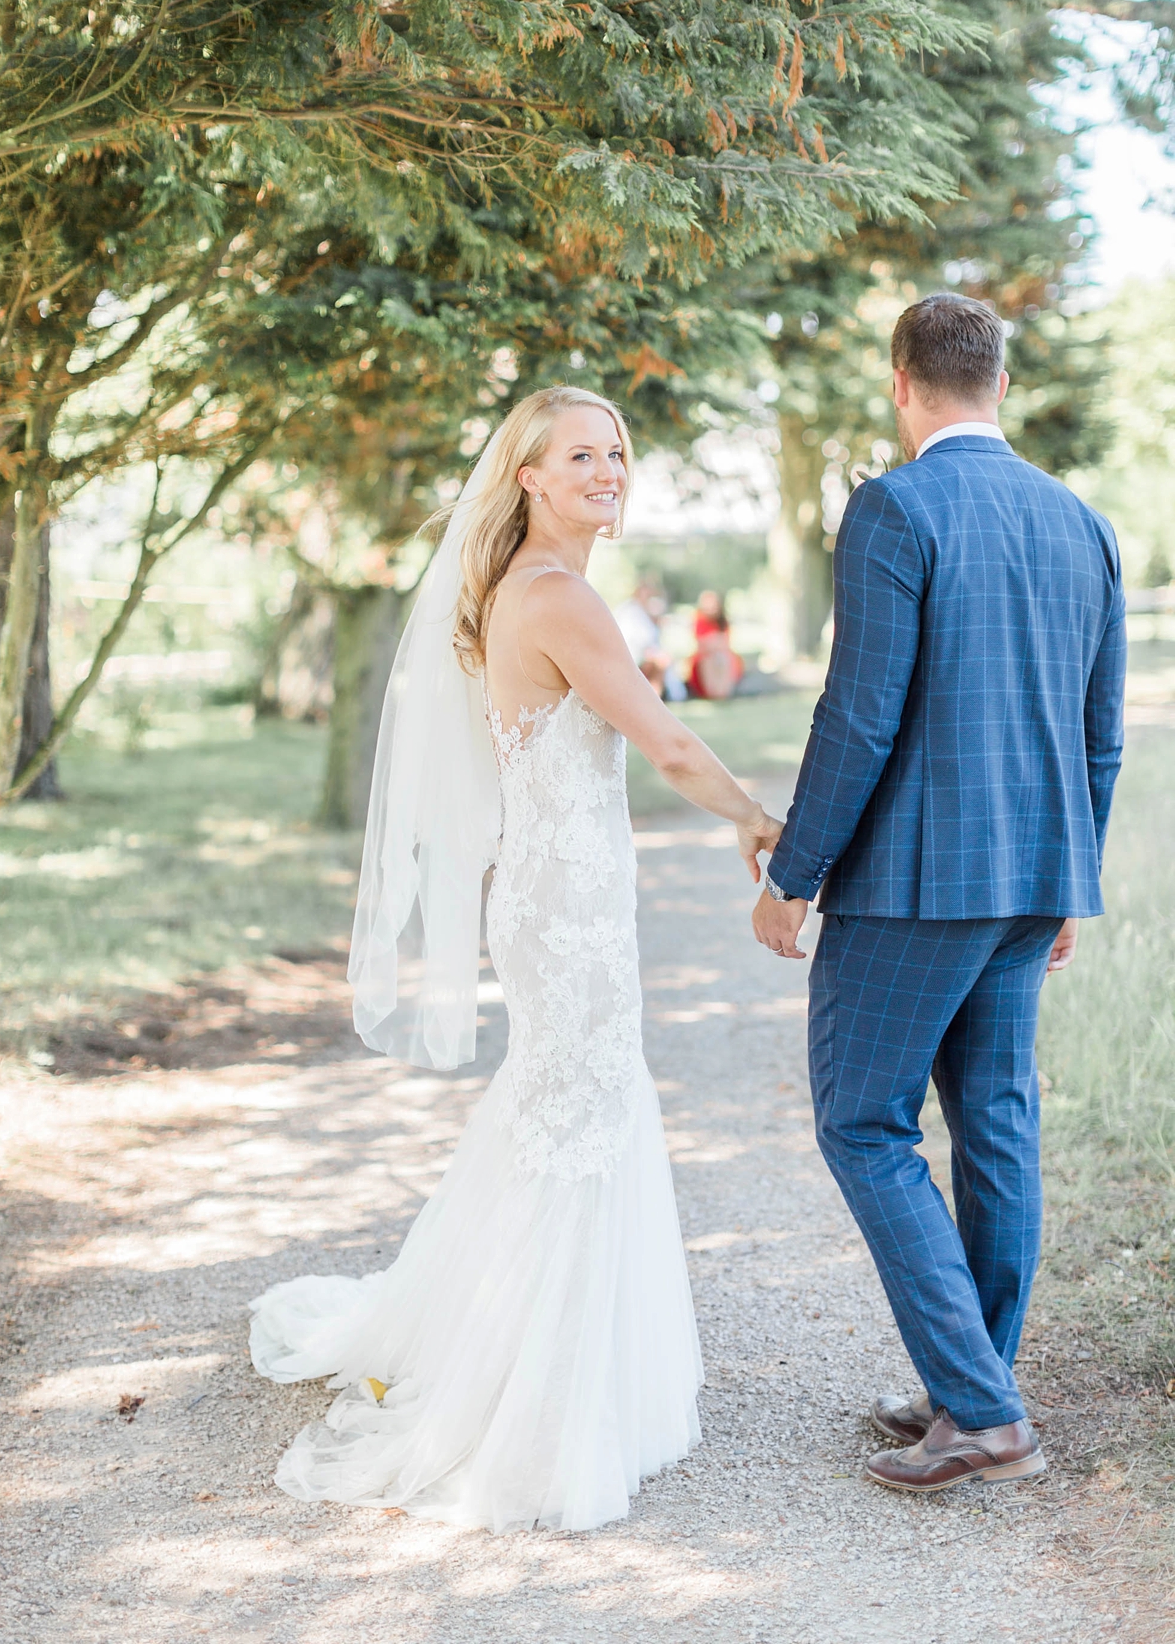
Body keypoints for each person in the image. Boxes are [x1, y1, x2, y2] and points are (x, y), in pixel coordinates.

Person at [250, 386, 782, 1532]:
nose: (608, 469)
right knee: (577, 1115)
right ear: (530, 477)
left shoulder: (531, 588)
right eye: (581, 454)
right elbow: (670, 741)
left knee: (561, 1111)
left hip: (557, 896)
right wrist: (752, 815)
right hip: (567, 905)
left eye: (618, 452)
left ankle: (510, 1342)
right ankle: (544, 1392)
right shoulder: (556, 597)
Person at [752, 293, 1126, 1493]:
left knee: (863, 1121)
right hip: (1033, 881)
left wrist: (790, 875)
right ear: (1000, 386)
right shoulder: (1085, 523)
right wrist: (1074, 875)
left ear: (901, 384)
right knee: (995, 1129)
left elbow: (857, 718)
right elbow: (1101, 737)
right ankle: (974, 1381)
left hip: (918, 886)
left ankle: (983, 1409)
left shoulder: (895, 505)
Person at [685, 589, 745, 700]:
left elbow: (725, 643)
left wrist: (713, 642)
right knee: (709, 660)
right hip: (705, 659)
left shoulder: (722, 622)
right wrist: (715, 642)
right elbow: (702, 645)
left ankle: (723, 692)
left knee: (724, 658)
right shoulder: (699, 620)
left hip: (720, 657)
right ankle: (712, 692)